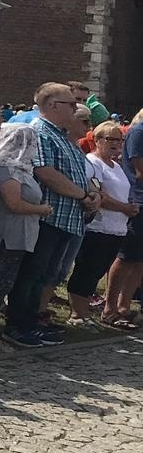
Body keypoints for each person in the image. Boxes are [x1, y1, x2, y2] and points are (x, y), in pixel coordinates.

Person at [3, 84, 100, 348]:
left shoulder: (62, 136)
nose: (76, 109)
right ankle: (18, 325)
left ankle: (33, 321)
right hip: (49, 217)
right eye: (71, 104)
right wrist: (82, 195)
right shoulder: (41, 132)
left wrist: (92, 194)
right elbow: (45, 172)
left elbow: (79, 172)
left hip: (68, 218)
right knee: (31, 274)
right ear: (53, 106)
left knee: (45, 276)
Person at [0, 123, 53, 345]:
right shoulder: (5, 168)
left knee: (3, 284)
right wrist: (41, 209)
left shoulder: (17, 167)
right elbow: (13, 203)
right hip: (5, 235)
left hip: (17, 235)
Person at [66, 121, 137, 324]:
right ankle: (78, 314)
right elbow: (98, 193)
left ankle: (86, 312)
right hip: (98, 226)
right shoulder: (92, 162)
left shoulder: (116, 166)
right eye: (110, 139)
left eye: (119, 140)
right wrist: (124, 208)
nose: (115, 144)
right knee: (86, 270)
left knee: (97, 272)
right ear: (97, 140)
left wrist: (130, 206)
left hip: (117, 228)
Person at [102, 109, 143, 327]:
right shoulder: (139, 132)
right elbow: (140, 170)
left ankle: (124, 306)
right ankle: (110, 307)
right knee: (127, 256)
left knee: (139, 259)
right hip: (138, 199)